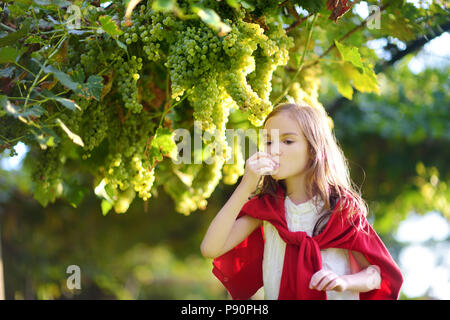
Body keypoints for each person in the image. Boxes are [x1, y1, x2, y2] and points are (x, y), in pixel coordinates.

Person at [200, 103, 403, 300]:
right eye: (269, 141)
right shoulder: (267, 207)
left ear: (314, 149)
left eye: (288, 141)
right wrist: (245, 186)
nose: (274, 149)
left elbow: (375, 274)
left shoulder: (341, 208)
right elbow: (210, 248)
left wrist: (344, 281)